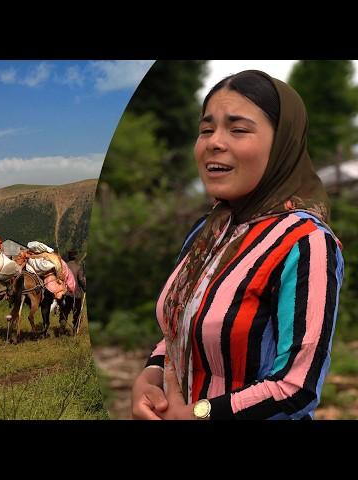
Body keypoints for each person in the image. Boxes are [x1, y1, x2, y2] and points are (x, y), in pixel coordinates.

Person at [131, 70, 344, 420]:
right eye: (206, 129)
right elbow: (181, 325)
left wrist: (199, 414)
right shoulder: (209, 230)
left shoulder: (304, 243)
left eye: (238, 129)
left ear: (282, 145)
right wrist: (150, 375)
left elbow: (297, 387)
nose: (214, 141)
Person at [59, 250, 87, 332]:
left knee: (64, 312)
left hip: (65, 294)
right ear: (75, 257)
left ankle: (62, 328)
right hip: (76, 295)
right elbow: (81, 279)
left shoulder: (64, 267)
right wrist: (85, 287)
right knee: (77, 313)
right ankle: (75, 329)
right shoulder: (78, 267)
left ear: (68, 257)